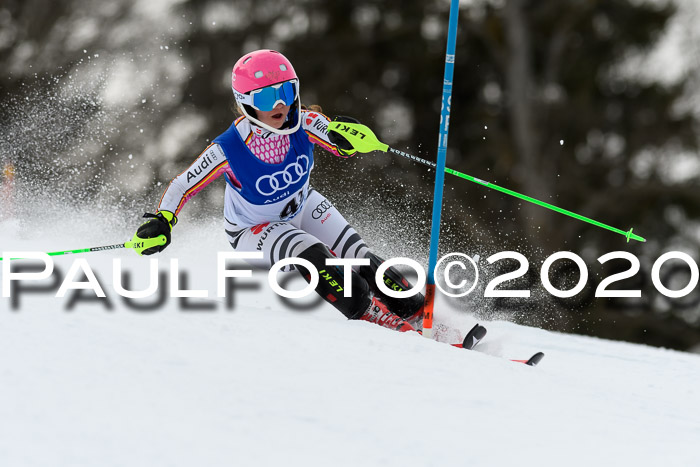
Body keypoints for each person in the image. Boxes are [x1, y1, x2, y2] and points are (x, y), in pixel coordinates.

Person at [133, 49, 424, 332]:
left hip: (302, 204)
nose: (280, 104)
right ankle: (370, 315)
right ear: (245, 102)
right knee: (310, 252)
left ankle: (418, 312)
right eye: (267, 97)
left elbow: (338, 142)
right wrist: (163, 219)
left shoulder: (305, 122)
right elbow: (183, 184)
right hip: (254, 229)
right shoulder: (228, 148)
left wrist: (347, 136)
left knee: (360, 256)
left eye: (286, 92)